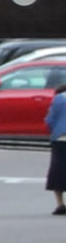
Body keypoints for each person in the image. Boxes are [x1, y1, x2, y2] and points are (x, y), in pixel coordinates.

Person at [49, 85, 66, 215]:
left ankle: (60, 204)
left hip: (61, 139)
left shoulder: (59, 99)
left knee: (58, 172)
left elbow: (50, 119)